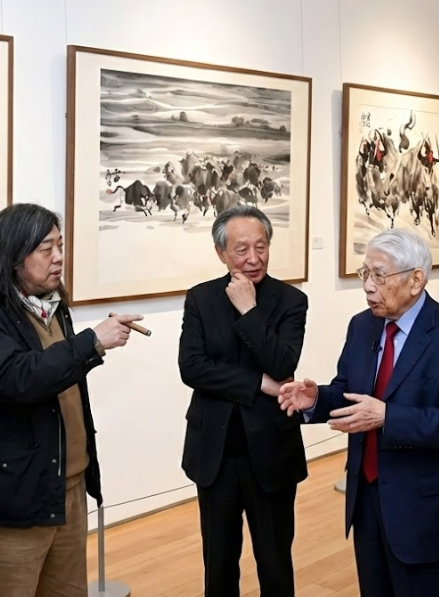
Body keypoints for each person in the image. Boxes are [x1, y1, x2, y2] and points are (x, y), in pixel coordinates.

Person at [0, 203, 142, 597]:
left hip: (67, 488)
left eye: (61, 246)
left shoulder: (53, 305)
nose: (58, 258)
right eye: (46, 248)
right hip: (12, 498)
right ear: (14, 255)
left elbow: (56, 374)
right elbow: (16, 378)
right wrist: (92, 342)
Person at [279, 229, 439, 597]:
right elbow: (351, 392)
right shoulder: (362, 326)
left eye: (379, 275)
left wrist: (389, 416)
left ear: (415, 280)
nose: (368, 286)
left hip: (426, 511)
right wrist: (317, 400)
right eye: (365, 273)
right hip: (368, 502)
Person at [179, 205, 308, 597]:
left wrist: (249, 310)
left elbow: (283, 363)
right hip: (215, 454)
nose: (253, 258)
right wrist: (258, 384)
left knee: (275, 562)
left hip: (271, 451)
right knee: (218, 565)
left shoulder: (291, 300)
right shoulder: (201, 298)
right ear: (221, 253)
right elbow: (192, 368)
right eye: (241, 249)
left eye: (261, 247)